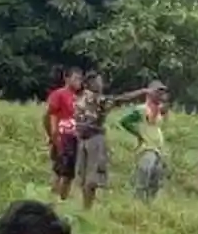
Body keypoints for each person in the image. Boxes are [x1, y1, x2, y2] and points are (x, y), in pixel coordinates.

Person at [73, 72, 154, 210]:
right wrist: (142, 91)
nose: (101, 84)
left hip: (82, 138)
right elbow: (121, 99)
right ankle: (87, 208)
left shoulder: (80, 99)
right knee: (93, 177)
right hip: (95, 138)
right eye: (98, 81)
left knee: (84, 176)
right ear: (91, 84)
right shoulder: (99, 100)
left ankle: (85, 207)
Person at [119, 81, 169, 203]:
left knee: (155, 182)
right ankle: (136, 205)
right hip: (147, 149)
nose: (161, 95)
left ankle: (147, 207)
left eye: (162, 92)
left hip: (158, 150)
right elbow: (124, 121)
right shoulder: (142, 109)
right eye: (158, 92)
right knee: (143, 179)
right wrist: (138, 133)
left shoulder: (158, 110)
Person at [43, 67, 83, 200]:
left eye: (80, 79)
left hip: (74, 138)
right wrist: (53, 135)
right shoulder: (58, 94)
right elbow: (49, 115)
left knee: (69, 173)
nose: (79, 81)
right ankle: (54, 198)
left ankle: (63, 199)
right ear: (66, 79)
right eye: (76, 78)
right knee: (60, 171)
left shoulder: (78, 98)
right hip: (62, 136)